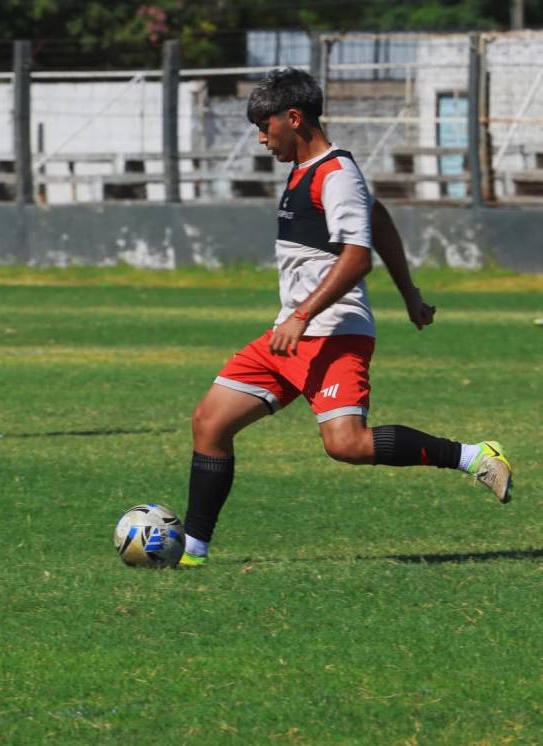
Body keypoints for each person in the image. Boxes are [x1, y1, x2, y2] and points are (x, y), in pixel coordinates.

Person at [179, 69, 513, 568]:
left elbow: (358, 255)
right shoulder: (305, 169)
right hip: (290, 333)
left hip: (333, 332)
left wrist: (305, 314)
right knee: (209, 422)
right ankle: (191, 552)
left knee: (348, 444)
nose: (261, 137)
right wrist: (410, 294)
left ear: (294, 118)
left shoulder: (336, 174)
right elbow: (379, 220)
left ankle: (474, 455)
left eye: (265, 126)